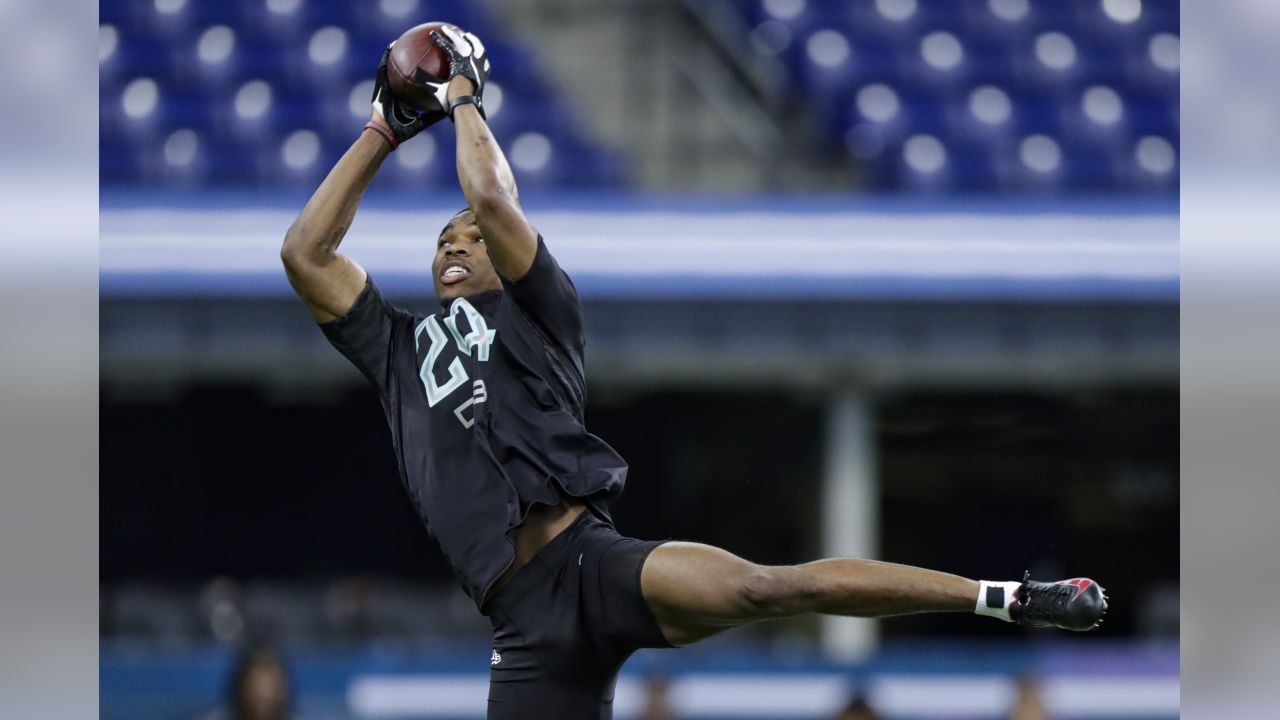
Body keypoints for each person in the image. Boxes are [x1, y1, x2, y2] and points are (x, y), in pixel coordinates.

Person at [280, 25, 1108, 720]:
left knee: (764, 588)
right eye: (439, 241)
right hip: (520, 621)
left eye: (465, 236)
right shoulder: (398, 351)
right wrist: (383, 127)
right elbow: (304, 253)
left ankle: (1008, 597)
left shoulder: (540, 306)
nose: (453, 243)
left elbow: (494, 203)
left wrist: (462, 97)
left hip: (592, 564)